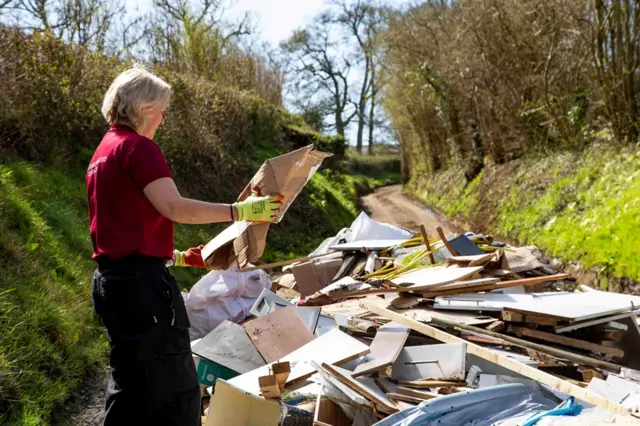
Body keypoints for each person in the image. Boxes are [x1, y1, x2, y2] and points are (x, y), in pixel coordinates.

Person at [86, 67, 282, 425]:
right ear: (144, 107)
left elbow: (124, 220)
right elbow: (175, 208)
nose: (162, 118)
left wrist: (173, 255)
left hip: (112, 282)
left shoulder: (103, 151)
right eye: (161, 110)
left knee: (131, 383)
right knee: (175, 389)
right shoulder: (138, 148)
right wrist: (239, 211)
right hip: (141, 288)